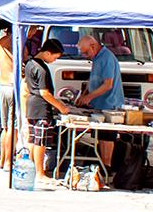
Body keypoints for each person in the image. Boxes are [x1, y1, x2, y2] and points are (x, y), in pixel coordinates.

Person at [75, 34, 125, 166]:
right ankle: (101, 166)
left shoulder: (106, 57)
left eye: (86, 53)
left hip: (109, 105)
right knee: (101, 137)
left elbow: (108, 84)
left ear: (93, 46)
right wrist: (84, 93)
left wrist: (89, 97)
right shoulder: (97, 58)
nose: (86, 56)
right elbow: (94, 80)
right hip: (98, 104)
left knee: (107, 137)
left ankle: (106, 167)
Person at [25, 39, 70, 179]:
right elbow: (45, 93)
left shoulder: (30, 63)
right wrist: (61, 107)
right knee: (41, 141)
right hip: (41, 107)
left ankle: (32, 168)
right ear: (48, 53)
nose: (54, 60)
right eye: (54, 57)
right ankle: (39, 172)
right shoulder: (41, 69)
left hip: (31, 105)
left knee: (33, 139)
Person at [0, 26, 17, 170]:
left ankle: (2, 160)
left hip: (2, 85)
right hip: (12, 85)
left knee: (5, 127)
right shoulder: (17, 42)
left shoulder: (1, 43)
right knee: (12, 128)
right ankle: (9, 161)